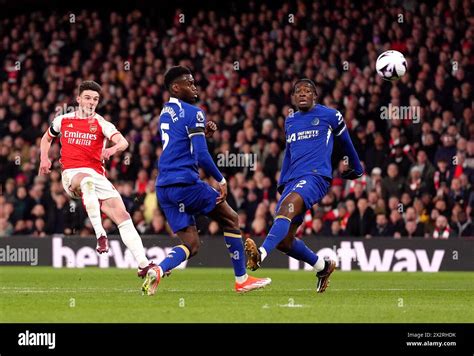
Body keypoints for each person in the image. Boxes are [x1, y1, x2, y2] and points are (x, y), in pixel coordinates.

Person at [142, 66, 271, 295]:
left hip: (164, 187)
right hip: (186, 183)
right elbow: (201, 155)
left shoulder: (165, 111)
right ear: (175, 87)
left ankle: (159, 270)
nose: (194, 87)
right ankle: (242, 280)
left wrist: (202, 133)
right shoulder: (195, 112)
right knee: (231, 219)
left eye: (194, 82)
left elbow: (181, 142)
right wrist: (221, 179)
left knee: (191, 244)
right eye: (189, 83)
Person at [244, 78, 364, 293]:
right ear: (292, 97)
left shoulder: (330, 115)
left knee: (286, 208)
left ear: (314, 96)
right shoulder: (290, 121)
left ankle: (260, 254)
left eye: (307, 91)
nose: (302, 93)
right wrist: (282, 183)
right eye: (298, 91)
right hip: (293, 180)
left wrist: (356, 168)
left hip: (316, 177)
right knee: (285, 241)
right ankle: (323, 266)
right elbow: (289, 154)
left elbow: (346, 142)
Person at [39, 80, 155, 281]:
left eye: (95, 99)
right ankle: (101, 234)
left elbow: (123, 142)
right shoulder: (63, 120)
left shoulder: (101, 123)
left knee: (123, 215)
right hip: (72, 175)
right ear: (78, 99)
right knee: (85, 181)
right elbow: (46, 138)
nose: (91, 102)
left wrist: (111, 149)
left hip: (97, 176)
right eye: (87, 98)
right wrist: (44, 157)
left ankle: (143, 265)